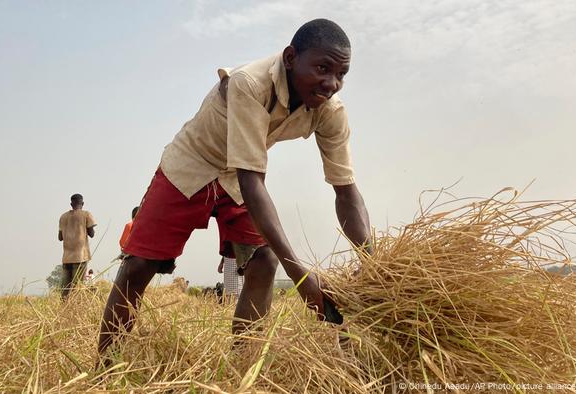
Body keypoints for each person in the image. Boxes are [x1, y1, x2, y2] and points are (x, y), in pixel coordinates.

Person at [98, 19, 372, 357]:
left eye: (341, 74)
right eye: (321, 68)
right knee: (140, 265)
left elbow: (346, 190)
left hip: (238, 176)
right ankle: (105, 365)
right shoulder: (249, 84)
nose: (331, 83)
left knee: (264, 261)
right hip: (190, 166)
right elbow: (252, 179)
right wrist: (300, 276)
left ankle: (244, 364)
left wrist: (374, 266)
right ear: (290, 58)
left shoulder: (330, 111)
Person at [58, 194, 96, 301]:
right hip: (80, 256)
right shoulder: (86, 214)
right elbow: (91, 234)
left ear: (71, 204)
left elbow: (60, 237)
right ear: (82, 204)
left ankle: (63, 306)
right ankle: (76, 307)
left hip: (66, 257)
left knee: (66, 286)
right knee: (77, 285)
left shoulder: (63, 217)